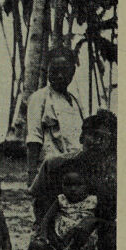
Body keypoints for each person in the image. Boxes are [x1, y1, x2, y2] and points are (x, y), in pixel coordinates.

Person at [29, 161, 101, 250]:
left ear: (87, 185)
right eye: (67, 185)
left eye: (78, 185)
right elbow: (47, 219)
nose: (73, 189)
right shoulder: (61, 200)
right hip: (61, 242)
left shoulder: (93, 200)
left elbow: (101, 220)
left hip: (84, 243)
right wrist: (44, 235)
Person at [25, 48, 84, 186]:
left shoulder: (75, 101)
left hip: (74, 171)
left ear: (73, 72)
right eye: (54, 71)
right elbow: (34, 138)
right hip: (51, 170)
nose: (59, 76)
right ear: (47, 72)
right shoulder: (40, 98)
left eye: (64, 71)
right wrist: (32, 173)